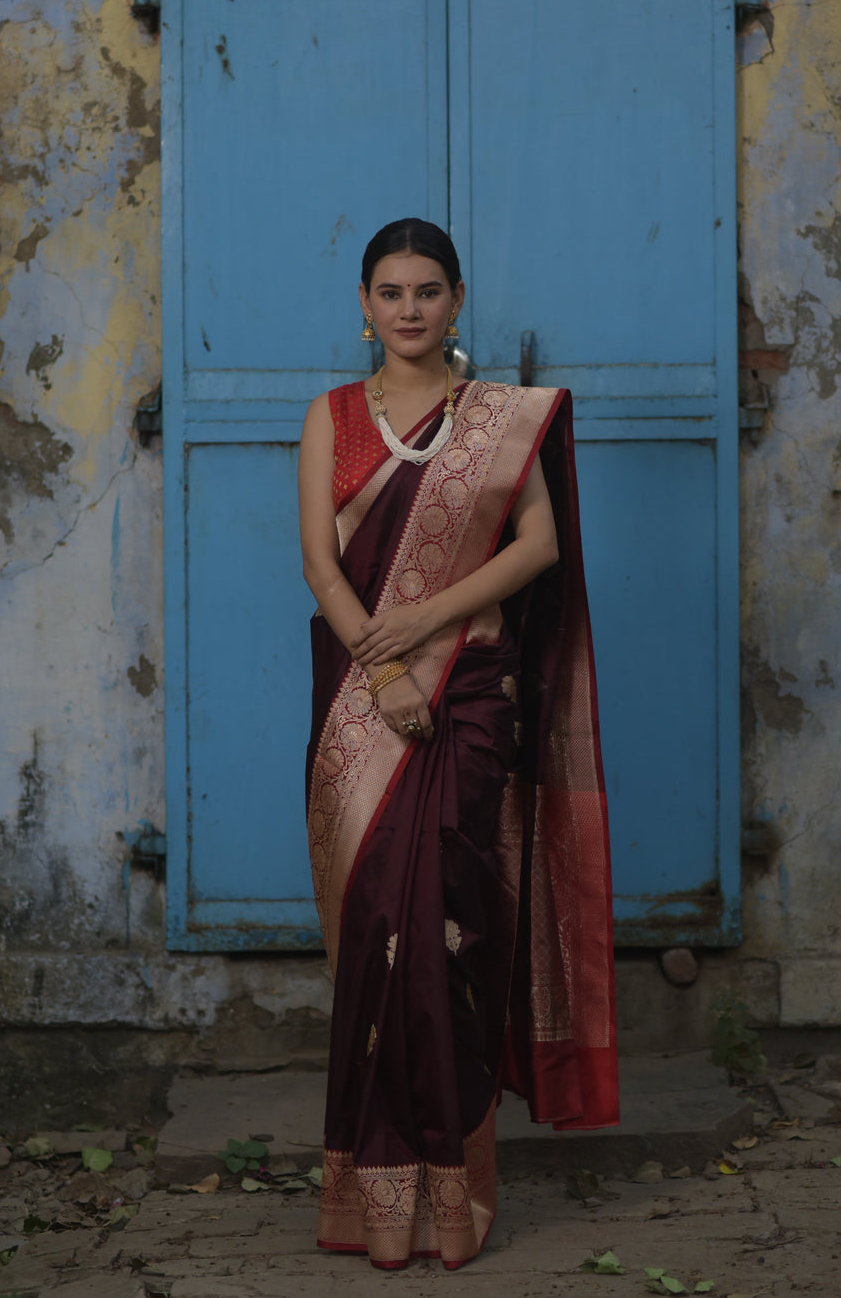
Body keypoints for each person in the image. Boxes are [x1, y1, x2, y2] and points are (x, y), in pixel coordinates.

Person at [298, 217, 618, 1271]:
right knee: (378, 923)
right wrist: (383, 671)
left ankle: (454, 1196)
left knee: (448, 926)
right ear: (362, 304)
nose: (407, 309)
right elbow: (321, 566)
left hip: (470, 693)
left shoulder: (495, 420)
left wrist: (429, 625)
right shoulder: (332, 418)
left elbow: (539, 544)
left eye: (426, 290)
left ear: (458, 299)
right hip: (359, 699)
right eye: (388, 291)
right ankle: (371, 1197)